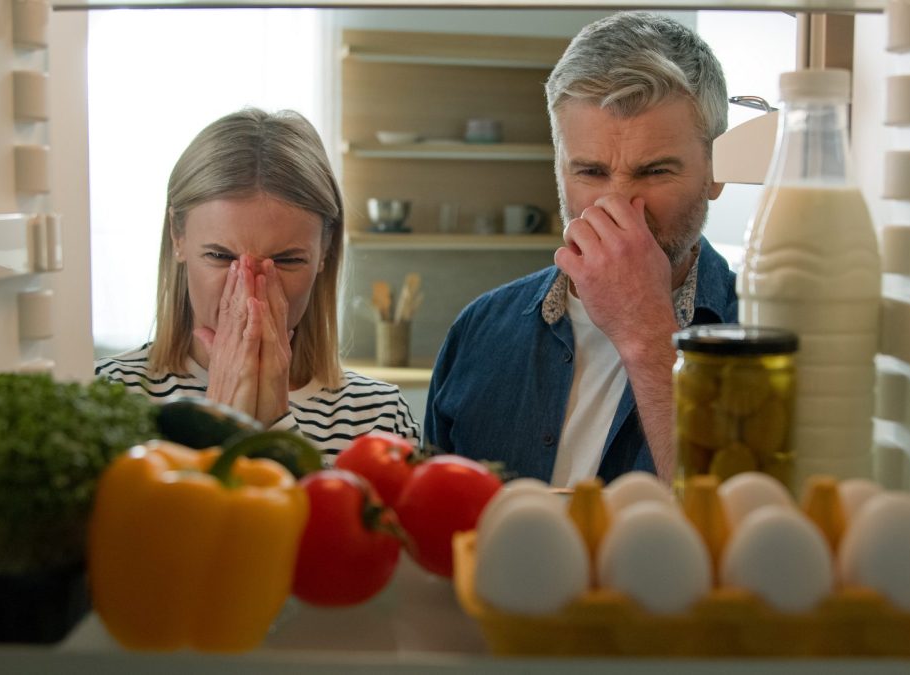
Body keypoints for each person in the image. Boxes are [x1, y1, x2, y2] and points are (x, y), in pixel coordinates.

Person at [425, 12, 737, 486]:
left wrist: (646, 332)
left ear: (715, 171)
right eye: (590, 172)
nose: (618, 206)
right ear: (559, 169)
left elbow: (743, 535)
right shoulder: (478, 332)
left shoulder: (762, 331)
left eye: (655, 172)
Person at [96, 108, 420, 457]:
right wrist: (218, 427)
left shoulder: (379, 416)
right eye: (220, 257)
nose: (252, 293)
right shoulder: (107, 396)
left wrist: (276, 427)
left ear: (325, 251)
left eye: (287, 261)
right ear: (178, 236)